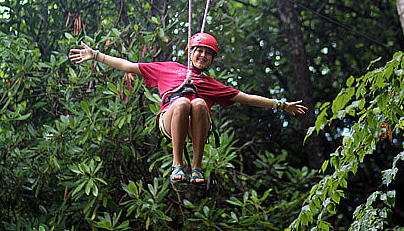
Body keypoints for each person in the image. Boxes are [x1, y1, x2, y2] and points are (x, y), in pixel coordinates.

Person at [69, 33, 307, 185]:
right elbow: (128, 66)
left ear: (212, 60)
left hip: (197, 124)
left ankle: (196, 166)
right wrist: (96, 55)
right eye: (199, 51)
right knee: (182, 101)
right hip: (170, 118)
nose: (202, 56)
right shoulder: (168, 68)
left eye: (208, 54)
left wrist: (280, 104)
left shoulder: (210, 84)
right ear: (190, 53)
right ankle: (177, 164)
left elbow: (246, 98)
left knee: (199, 102)